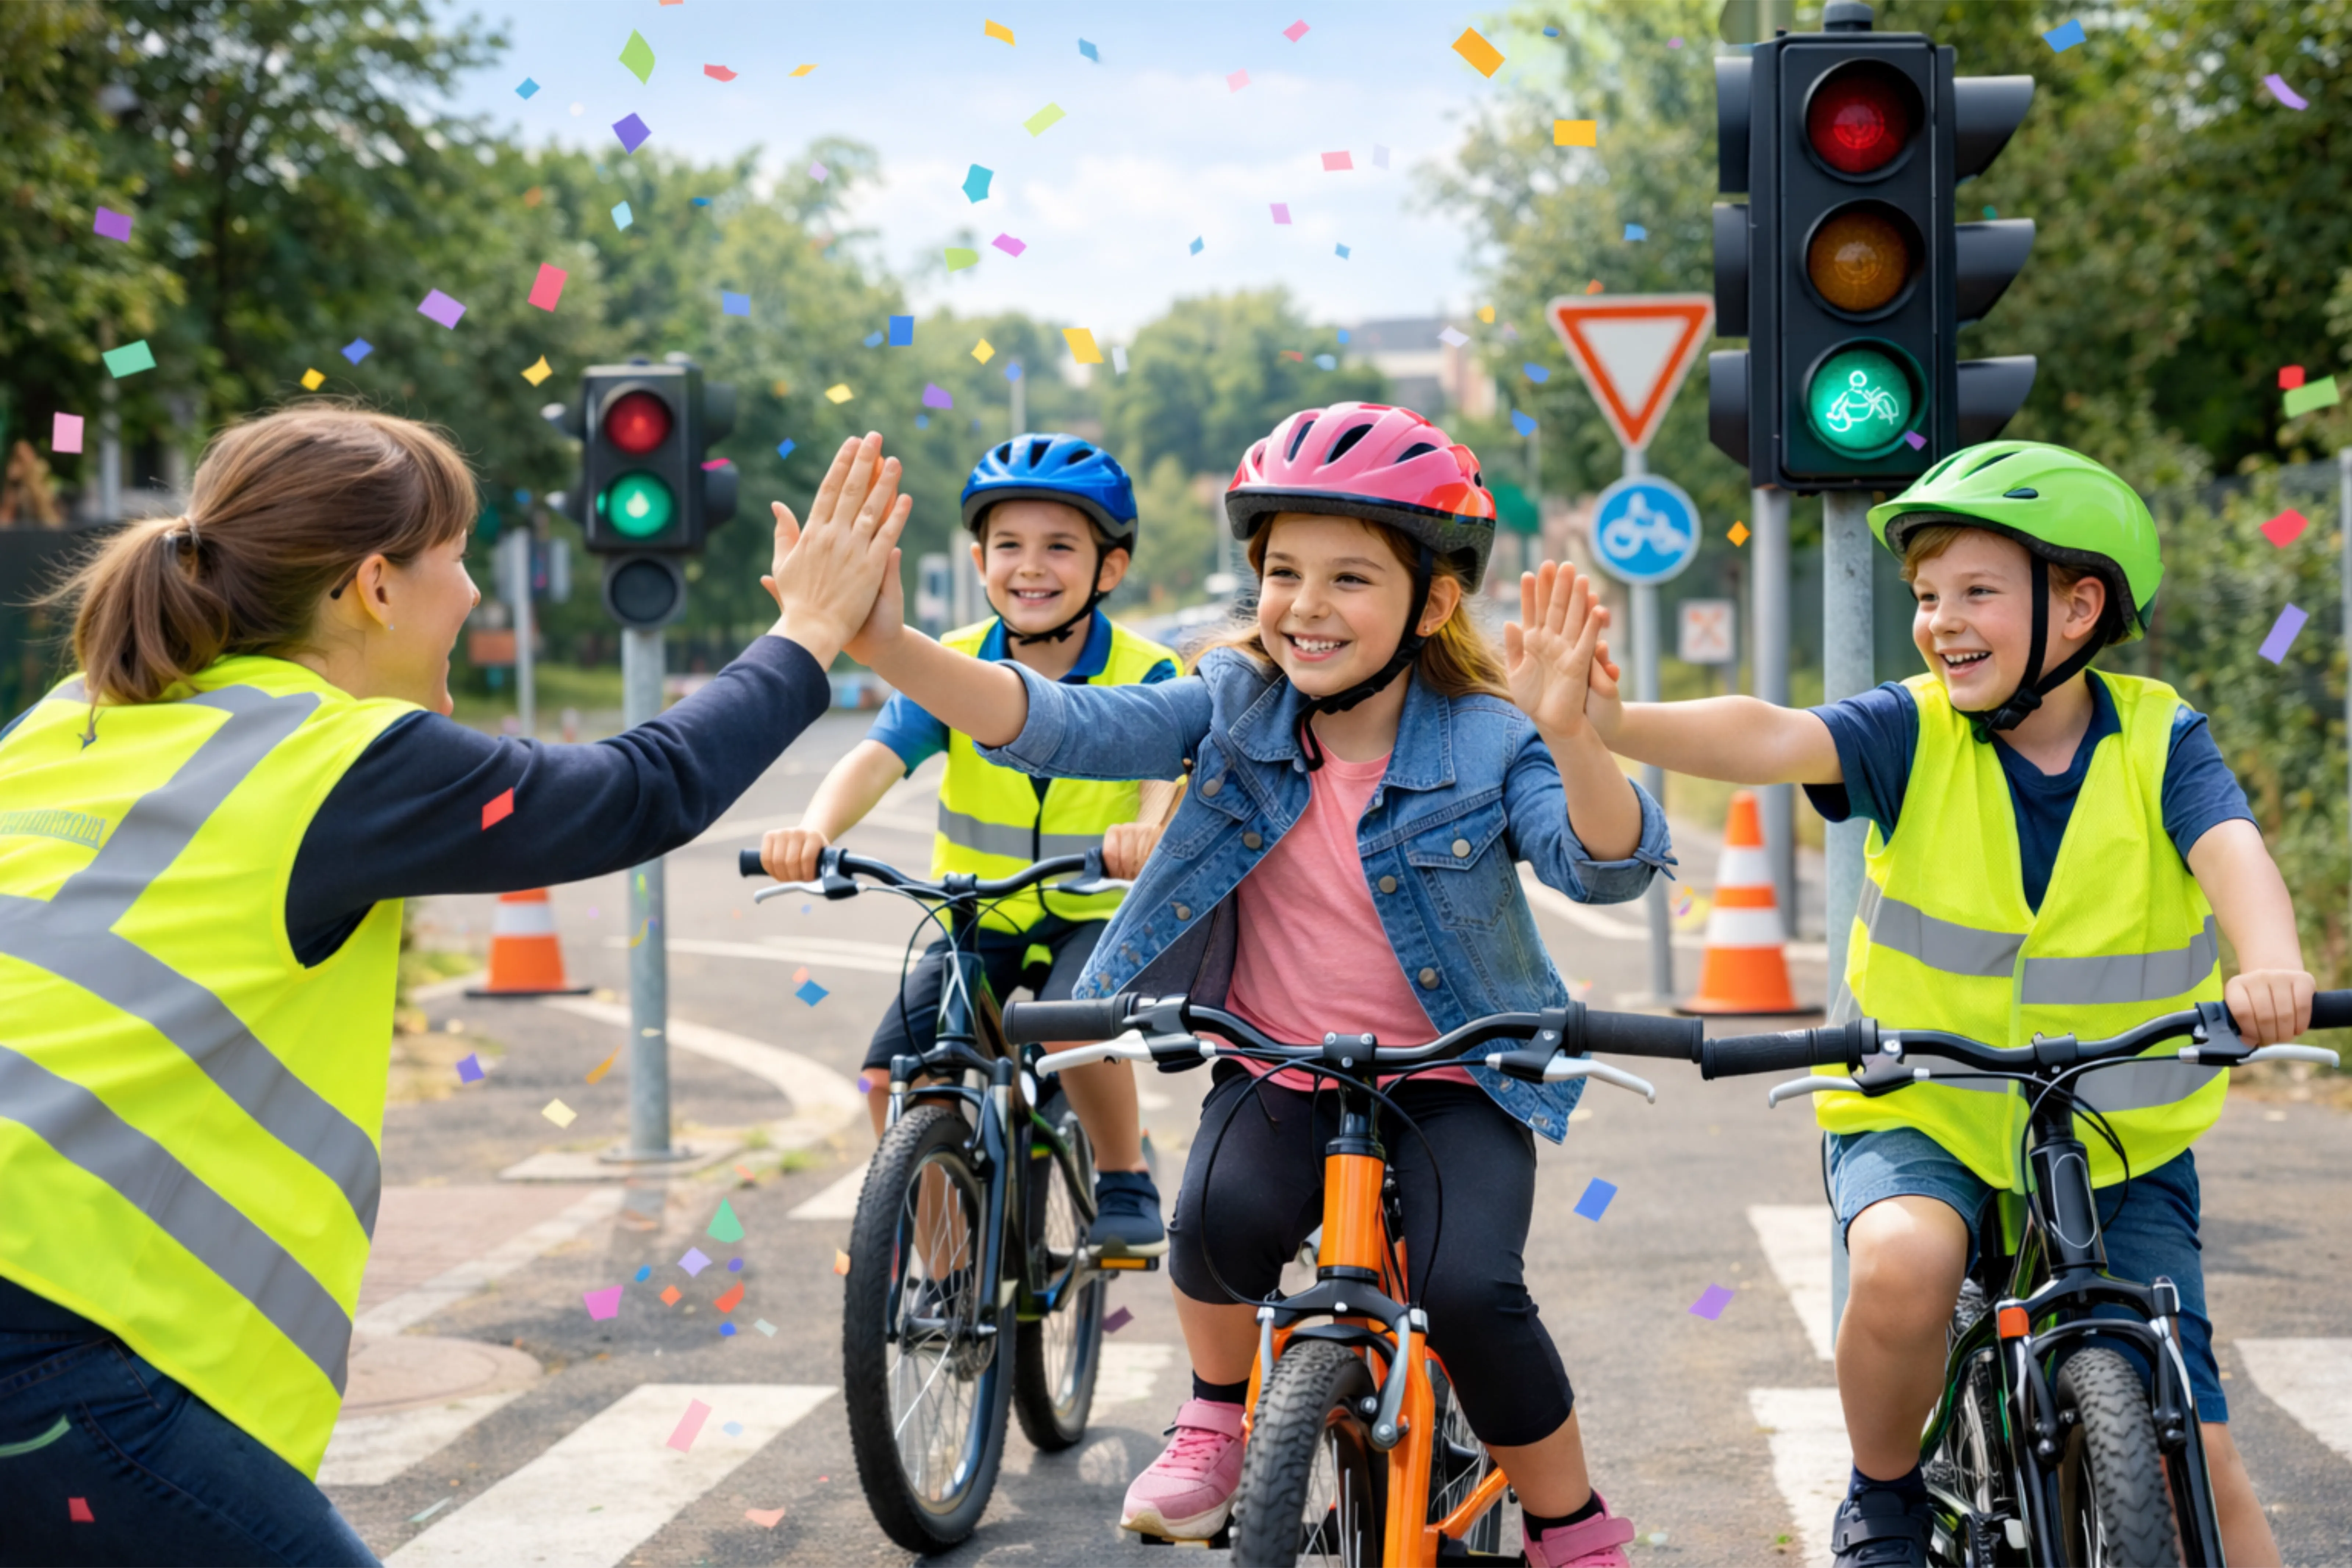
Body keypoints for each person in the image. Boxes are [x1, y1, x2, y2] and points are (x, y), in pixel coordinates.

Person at [0, 409, 907, 1567]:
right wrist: (810, 630)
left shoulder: (61, 722)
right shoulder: (333, 759)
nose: (475, 594)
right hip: (58, 1330)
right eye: (458, 557)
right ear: (375, 585)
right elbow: (642, 792)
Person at [842, 403, 1674, 1568]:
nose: (1306, 606)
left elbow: (1609, 861)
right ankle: (1217, 1421)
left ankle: (1573, 1526)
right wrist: (889, 647)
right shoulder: (1231, 705)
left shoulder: (1489, 737)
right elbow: (1069, 725)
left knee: (1471, 1287)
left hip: (1458, 1076)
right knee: (1212, 1230)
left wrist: (1578, 737)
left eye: (1349, 577)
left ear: (1433, 603)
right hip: (1282, 1059)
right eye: (1283, 572)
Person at [1574, 441, 2310, 1568]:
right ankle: (1881, 1494)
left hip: (2120, 1135)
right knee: (1906, 1265)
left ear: (2079, 606)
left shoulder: (2164, 736)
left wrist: (2271, 960)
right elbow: (1775, 734)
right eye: (1926, 595)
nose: (1938, 619)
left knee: (2202, 1458)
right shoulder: (1915, 728)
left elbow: (2235, 851)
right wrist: (1615, 724)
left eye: (1976, 592)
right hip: (1925, 1104)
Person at [761, 434, 1180, 1257]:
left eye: (1060, 546)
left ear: (1111, 568)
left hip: (1088, 913)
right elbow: (877, 757)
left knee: (1067, 1027)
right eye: (1008, 546)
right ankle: (948, 1278)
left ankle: (1123, 1171)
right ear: (978, 558)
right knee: (889, 1078)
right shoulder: (949, 662)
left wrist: (1147, 830)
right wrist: (814, 829)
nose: (1030, 566)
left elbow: (1165, 770)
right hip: (971, 913)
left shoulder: (1148, 667)